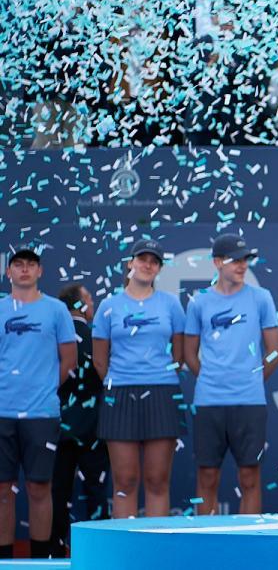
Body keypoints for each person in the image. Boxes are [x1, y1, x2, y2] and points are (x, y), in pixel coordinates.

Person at [183, 233, 278, 515]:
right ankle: (204, 544)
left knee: (250, 477)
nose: (241, 266)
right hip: (209, 401)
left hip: (250, 402)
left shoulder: (261, 298)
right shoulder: (199, 302)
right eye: (234, 260)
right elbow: (189, 354)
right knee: (207, 477)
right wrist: (211, 377)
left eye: (245, 260)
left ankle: (249, 546)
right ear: (217, 262)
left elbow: (275, 351)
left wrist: (252, 378)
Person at [92, 239, 185, 520]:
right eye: (142, 259)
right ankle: (126, 555)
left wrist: (153, 375)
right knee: (124, 482)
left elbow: (178, 356)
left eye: (154, 261)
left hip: (163, 392)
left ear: (159, 268)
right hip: (119, 393)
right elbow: (99, 360)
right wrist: (120, 381)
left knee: (157, 480)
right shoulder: (109, 306)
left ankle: (155, 553)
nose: (147, 265)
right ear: (130, 263)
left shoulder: (171, 304)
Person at [0, 248, 76, 559]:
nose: (25, 270)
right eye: (18, 265)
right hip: (2, 413)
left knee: (39, 488)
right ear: (9, 273)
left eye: (31, 264)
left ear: (40, 272)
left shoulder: (56, 310)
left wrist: (43, 388)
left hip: (42, 413)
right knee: (3, 492)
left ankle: (40, 560)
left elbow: (69, 359)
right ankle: (3, 559)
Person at [50, 283, 107, 555]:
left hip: (58, 426)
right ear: (81, 305)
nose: (94, 304)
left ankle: (53, 553)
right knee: (96, 490)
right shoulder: (98, 336)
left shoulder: (52, 336)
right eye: (90, 299)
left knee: (58, 492)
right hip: (94, 426)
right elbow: (103, 374)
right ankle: (101, 553)